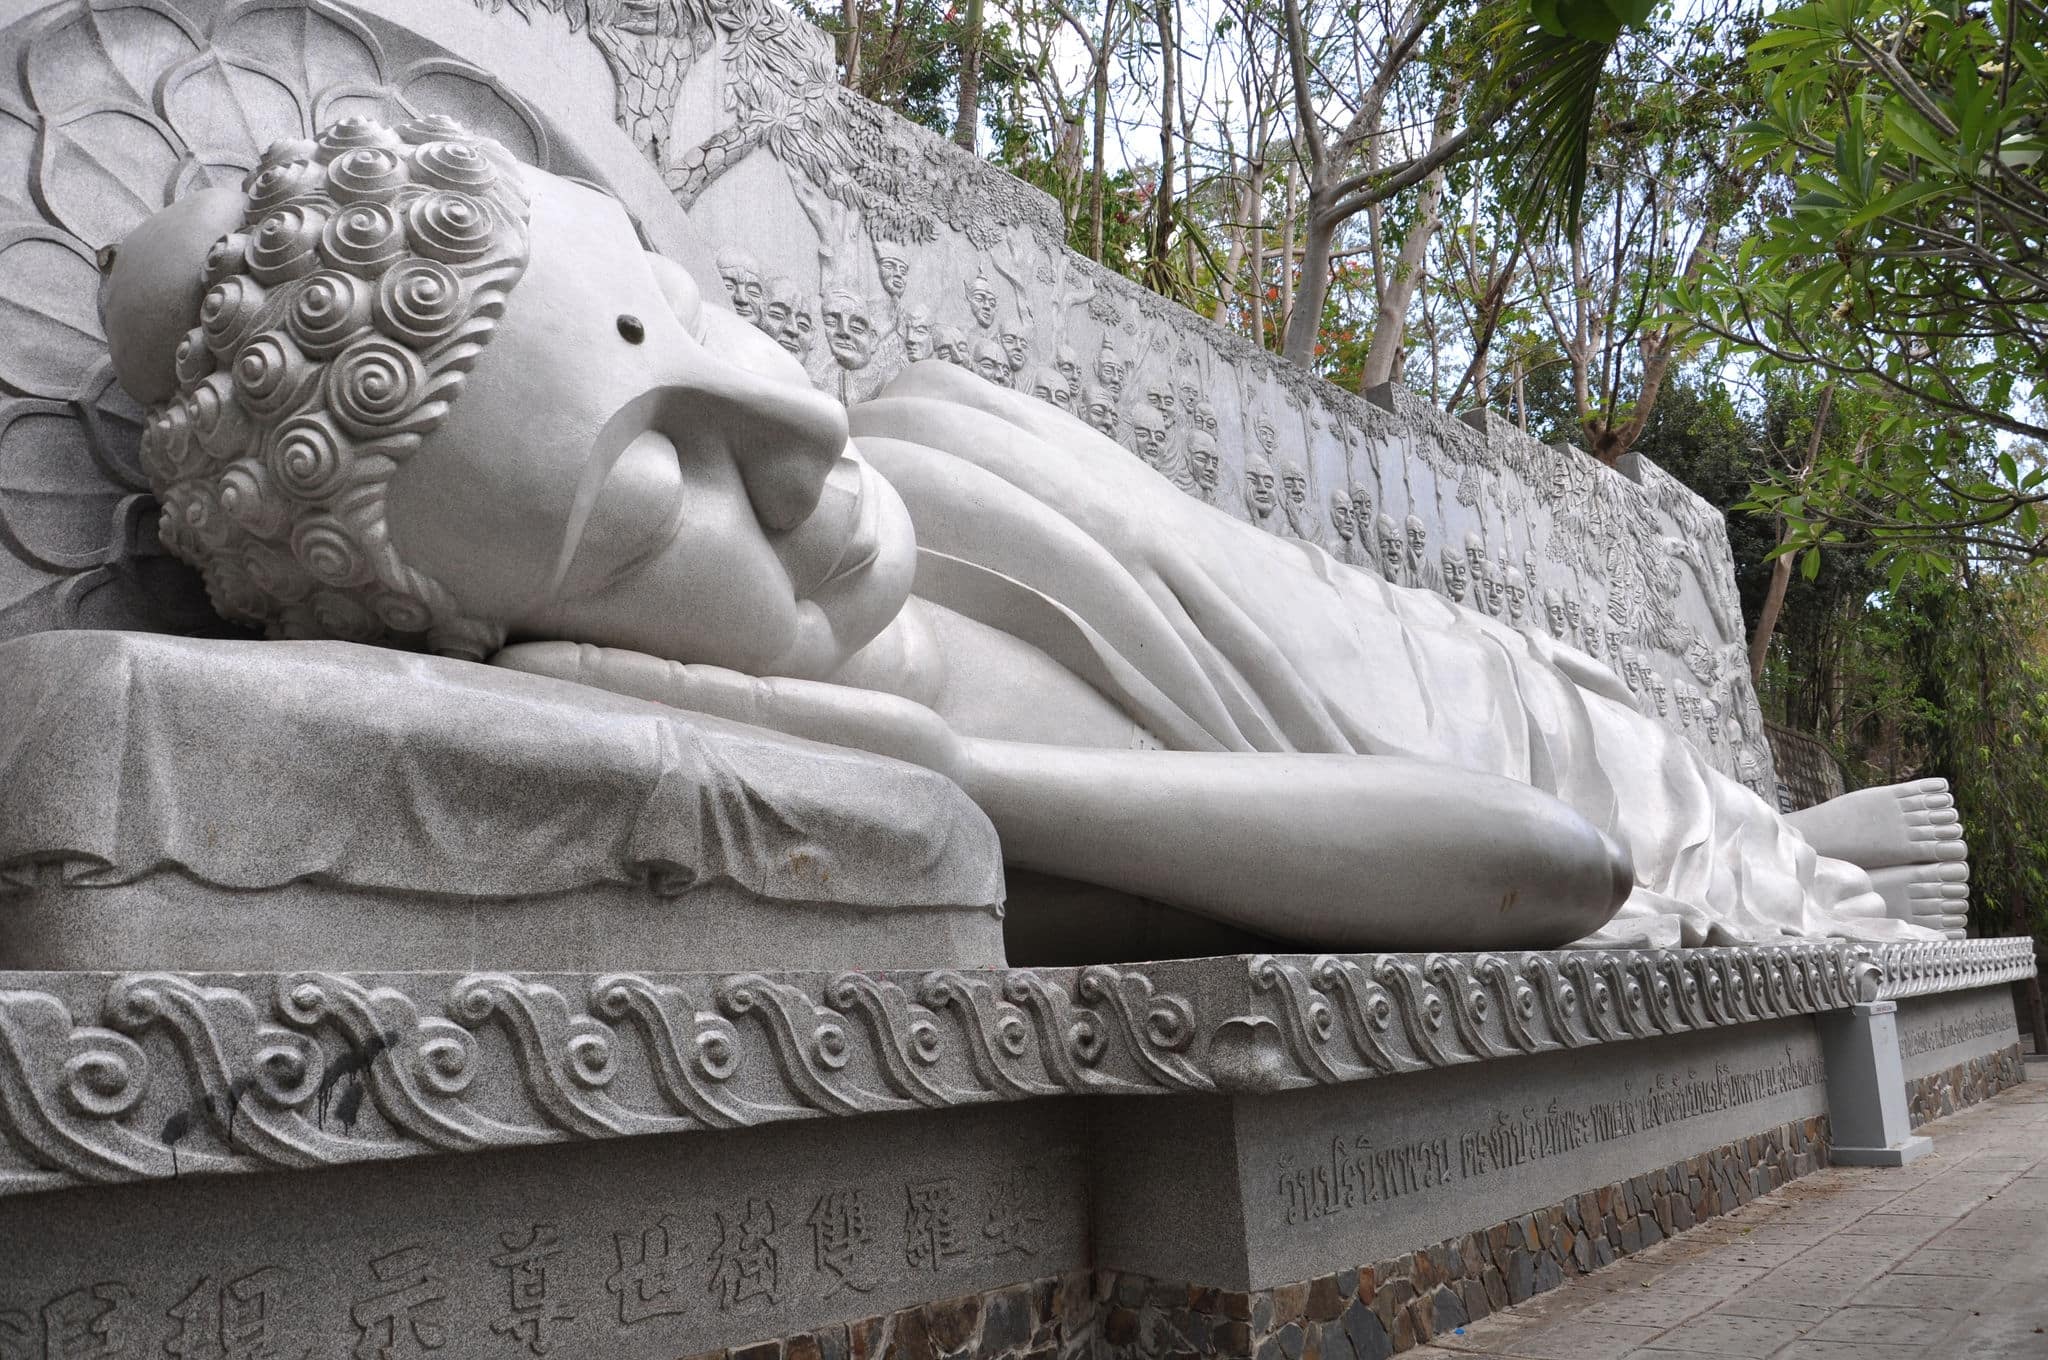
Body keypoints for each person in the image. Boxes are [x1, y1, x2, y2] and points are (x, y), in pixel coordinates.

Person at [99, 117, 1957, 951]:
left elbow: (1404, 664)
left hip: (1514, 694)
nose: (800, 442)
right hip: (1526, 807)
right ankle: (1792, 862)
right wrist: (951, 769)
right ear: (531, 650)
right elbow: (1543, 869)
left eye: (689, 312)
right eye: (654, 495)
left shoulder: (938, 435)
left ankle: (1788, 837)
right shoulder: (902, 826)